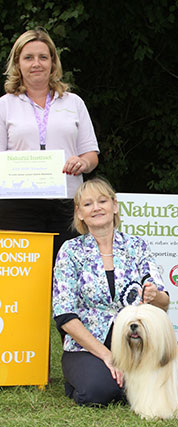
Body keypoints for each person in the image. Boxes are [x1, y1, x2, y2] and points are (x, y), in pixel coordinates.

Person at [52, 177, 170, 406]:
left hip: (136, 345)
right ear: (79, 213)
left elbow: (164, 303)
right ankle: (91, 378)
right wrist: (106, 355)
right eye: (87, 204)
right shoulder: (70, 251)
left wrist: (156, 296)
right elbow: (64, 315)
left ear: (114, 206)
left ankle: (124, 381)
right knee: (97, 393)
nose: (96, 208)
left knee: (164, 385)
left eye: (102, 201)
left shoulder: (137, 246)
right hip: (88, 347)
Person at [0, 29, 99, 258]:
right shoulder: (5, 105)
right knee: (25, 282)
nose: (36, 64)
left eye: (43, 57)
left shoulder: (73, 102)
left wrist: (82, 163)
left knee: (66, 276)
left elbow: (91, 155)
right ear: (18, 63)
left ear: (53, 62)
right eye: (28, 57)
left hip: (69, 205)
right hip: (17, 208)